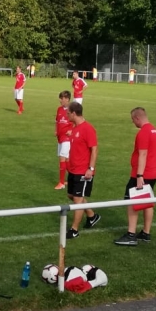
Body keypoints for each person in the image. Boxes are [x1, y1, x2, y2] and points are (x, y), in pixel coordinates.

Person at [114, 108, 156, 245]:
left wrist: (139, 175)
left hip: (142, 174)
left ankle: (131, 235)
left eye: (133, 120)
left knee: (131, 201)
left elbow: (143, 154)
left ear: (137, 118)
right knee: (148, 202)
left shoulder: (143, 133)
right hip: (153, 172)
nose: (133, 123)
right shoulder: (154, 130)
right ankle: (146, 233)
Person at [66, 101, 99, 238]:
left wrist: (90, 168)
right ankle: (91, 215)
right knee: (71, 195)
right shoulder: (75, 128)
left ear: (74, 113)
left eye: (68, 113)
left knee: (78, 200)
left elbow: (94, 149)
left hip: (83, 171)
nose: (67, 115)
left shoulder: (88, 129)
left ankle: (74, 230)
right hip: (73, 170)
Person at [55, 89, 72, 189]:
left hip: (67, 138)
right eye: (60, 98)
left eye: (62, 98)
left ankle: (61, 183)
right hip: (60, 137)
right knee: (67, 160)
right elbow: (57, 121)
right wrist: (56, 131)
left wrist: (72, 130)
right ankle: (73, 179)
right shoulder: (59, 109)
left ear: (67, 99)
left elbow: (79, 122)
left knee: (62, 158)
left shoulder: (72, 110)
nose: (60, 100)